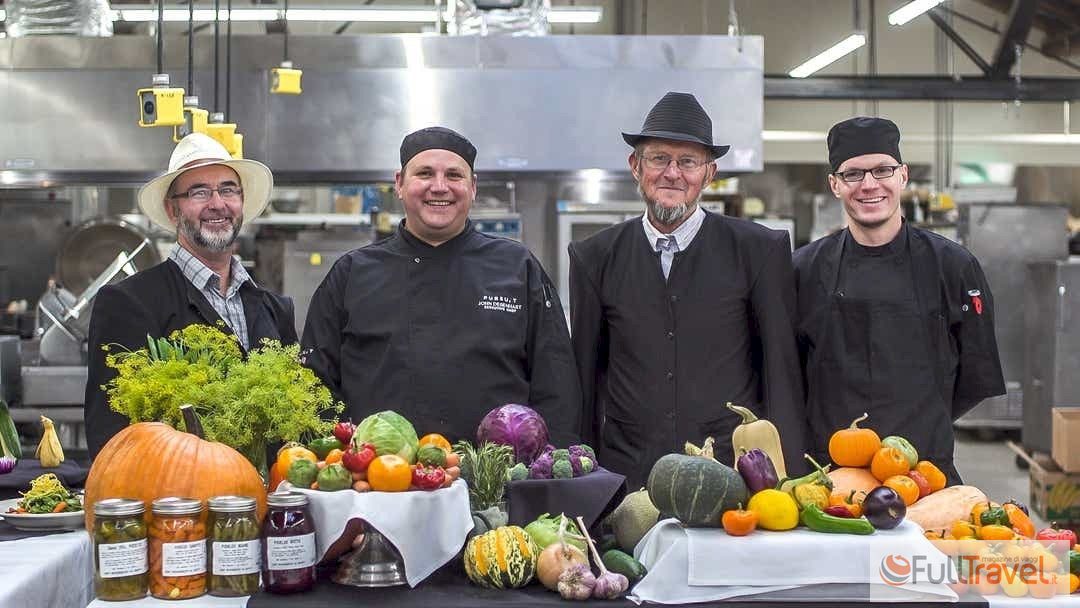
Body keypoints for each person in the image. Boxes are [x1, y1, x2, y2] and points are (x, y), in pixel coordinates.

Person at [568, 92, 806, 488]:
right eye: (659, 158)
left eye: (688, 161)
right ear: (635, 166)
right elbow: (585, 378)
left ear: (709, 173)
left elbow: (780, 373)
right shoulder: (594, 257)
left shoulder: (760, 251)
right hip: (629, 476)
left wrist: (789, 481)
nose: (672, 173)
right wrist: (583, 481)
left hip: (733, 473)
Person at [301, 126, 581, 446]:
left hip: (499, 482)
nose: (439, 187)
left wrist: (550, 475)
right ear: (400, 184)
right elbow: (314, 387)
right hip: (380, 483)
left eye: (454, 175)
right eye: (424, 173)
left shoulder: (518, 267)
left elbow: (557, 385)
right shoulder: (351, 274)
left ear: (472, 187)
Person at [794, 116, 1005, 484]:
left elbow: (976, 372)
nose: (869, 185)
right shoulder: (803, 270)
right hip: (829, 477)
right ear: (834, 185)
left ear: (903, 176)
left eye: (882, 170)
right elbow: (788, 372)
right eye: (853, 174)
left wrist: (922, 417)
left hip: (923, 473)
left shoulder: (953, 267)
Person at [84, 133, 297, 458]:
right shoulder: (128, 303)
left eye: (228, 189)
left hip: (264, 503)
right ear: (173, 210)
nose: (217, 203)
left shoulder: (275, 309)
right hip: (175, 502)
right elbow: (112, 438)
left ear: (241, 202)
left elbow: (293, 423)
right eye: (199, 192)